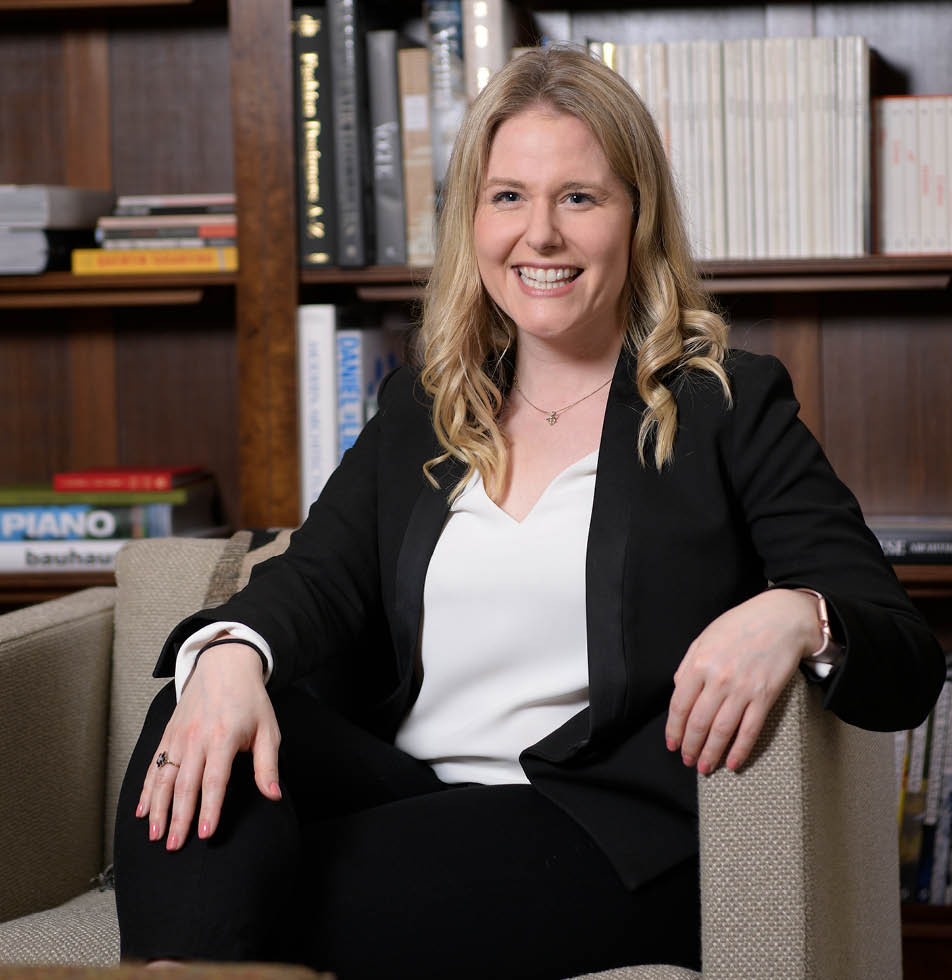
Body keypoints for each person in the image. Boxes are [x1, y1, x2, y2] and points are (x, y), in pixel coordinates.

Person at [114, 46, 945, 979]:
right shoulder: (422, 408)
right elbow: (316, 578)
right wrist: (230, 657)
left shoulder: (728, 406)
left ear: (636, 219)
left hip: (593, 827)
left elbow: (906, 661)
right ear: (473, 220)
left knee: (275, 893)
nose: (539, 234)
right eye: (508, 196)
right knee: (197, 703)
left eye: (579, 198)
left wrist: (801, 614)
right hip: (412, 793)